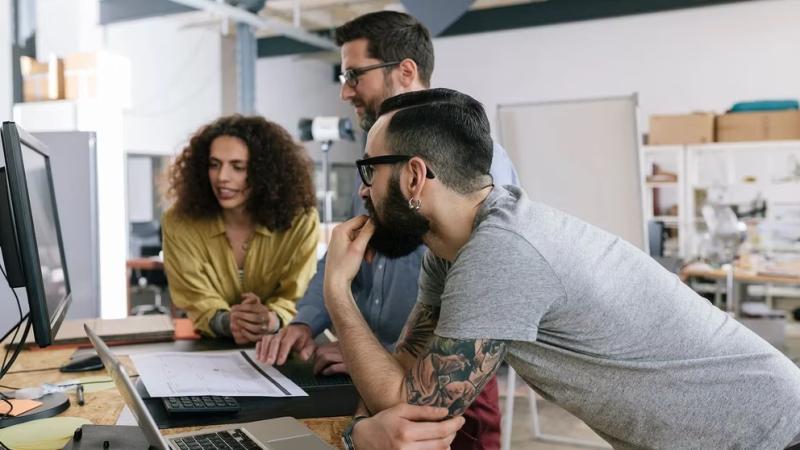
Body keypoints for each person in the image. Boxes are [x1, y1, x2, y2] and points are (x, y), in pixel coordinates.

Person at [319, 87, 800, 450]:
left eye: (370, 170)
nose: (363, 190)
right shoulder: (455, 248)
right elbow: (405, 374)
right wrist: (365, 428)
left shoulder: (501, 252)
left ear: (414, 176)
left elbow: (413, 409)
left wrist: (337, 291)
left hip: (767, 434)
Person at [256, 11, 515, 449]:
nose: (345, 91)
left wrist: (371, 359)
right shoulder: (379, 156)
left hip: (448, 377)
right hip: (381, 370)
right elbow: (350, 249)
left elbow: (476, 298)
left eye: (354, 75)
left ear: (406, 71)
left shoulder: (476, 165)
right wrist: (310, 323)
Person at [162, 114, 319, 344]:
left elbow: (298, 295)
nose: (222, 178)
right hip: (210, 351)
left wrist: (271, 320)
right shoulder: (179, 223)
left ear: (264, 173)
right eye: (214, 165)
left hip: (284, 345)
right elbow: (195, 299)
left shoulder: (301, 221)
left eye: (238, 167)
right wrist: (228, 322)